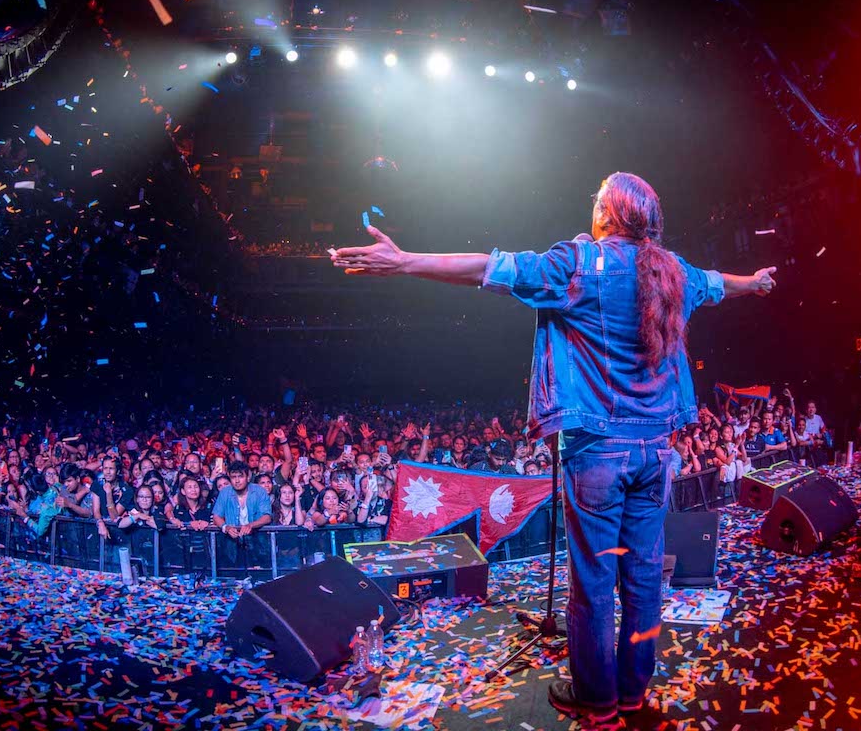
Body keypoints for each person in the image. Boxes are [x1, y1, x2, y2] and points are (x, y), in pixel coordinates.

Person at [330, 171, 777, 722]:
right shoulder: (674, 272)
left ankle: (599, 701)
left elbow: (490, 268)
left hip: (597, 453)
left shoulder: (579, 264)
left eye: (596, 200)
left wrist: (405, 261)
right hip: (658, 451)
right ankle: (634, 691)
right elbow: (716, 282)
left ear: (608, 213)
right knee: (641, 578)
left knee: (593, 583)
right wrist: (753, 282)